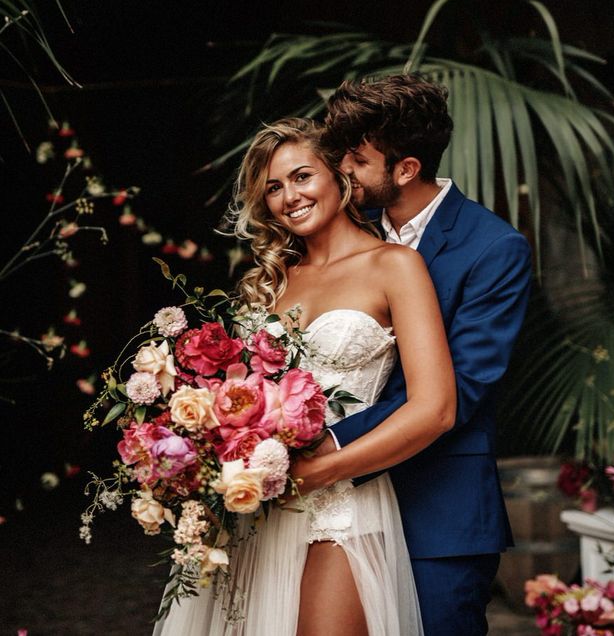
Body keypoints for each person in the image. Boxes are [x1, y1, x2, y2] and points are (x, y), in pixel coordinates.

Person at [153, 117, 455, 636]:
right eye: (273, 187)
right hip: (256, 506)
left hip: (342, 501)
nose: (288, 196)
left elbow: (435, 409)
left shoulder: (396, 266)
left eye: (301, 176)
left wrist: (318, 473)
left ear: (340, 175)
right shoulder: (268, 284)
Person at [292, 74, 532, 635]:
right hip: (334, 518)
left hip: (437, 507)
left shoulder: (493, 249)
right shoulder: (345, 231)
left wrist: (324, 440)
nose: (339, 173)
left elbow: (463, 389)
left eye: (354, 160)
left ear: (406, 169)